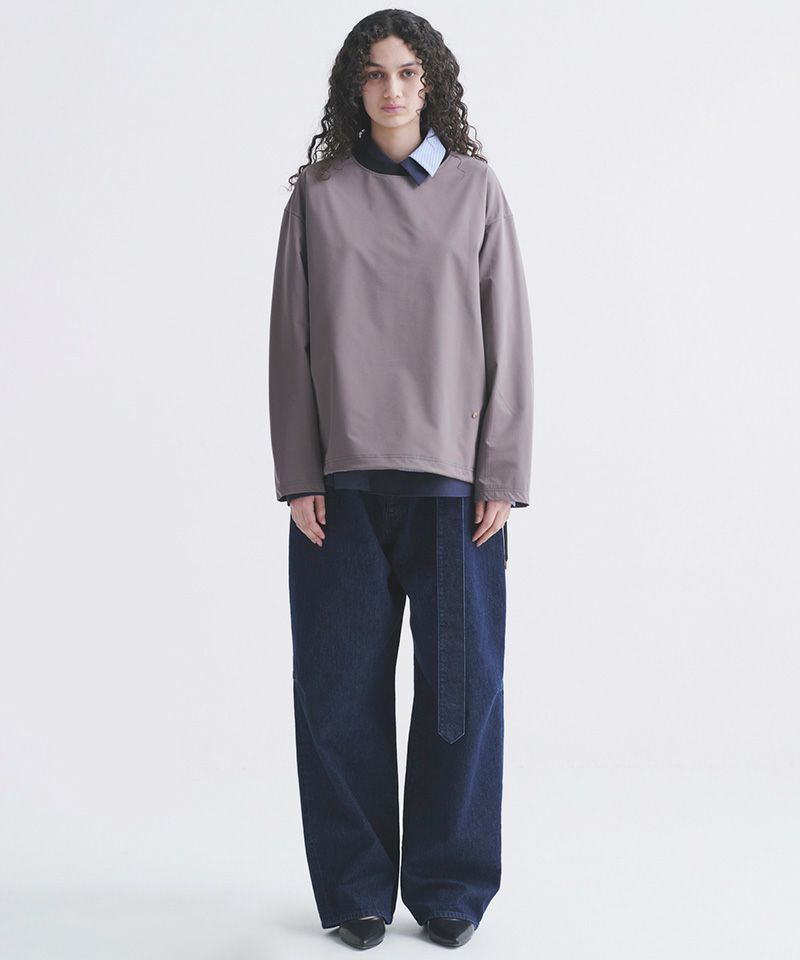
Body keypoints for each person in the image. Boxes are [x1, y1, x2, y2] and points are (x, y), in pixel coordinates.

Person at [268, 9, 533, 950]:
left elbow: (509, 339)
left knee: (462, 696)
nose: (391, 89)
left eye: (408, 72)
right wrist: (298, 472)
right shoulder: (318, 195)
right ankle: (355, 890)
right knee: (337, 690)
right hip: (339, 488)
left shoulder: (474, 190)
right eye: (375, 72)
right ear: (356, 85)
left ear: (431, 84)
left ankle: (449, 887)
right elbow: (290, 342)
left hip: (455, 490)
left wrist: (501, 471)